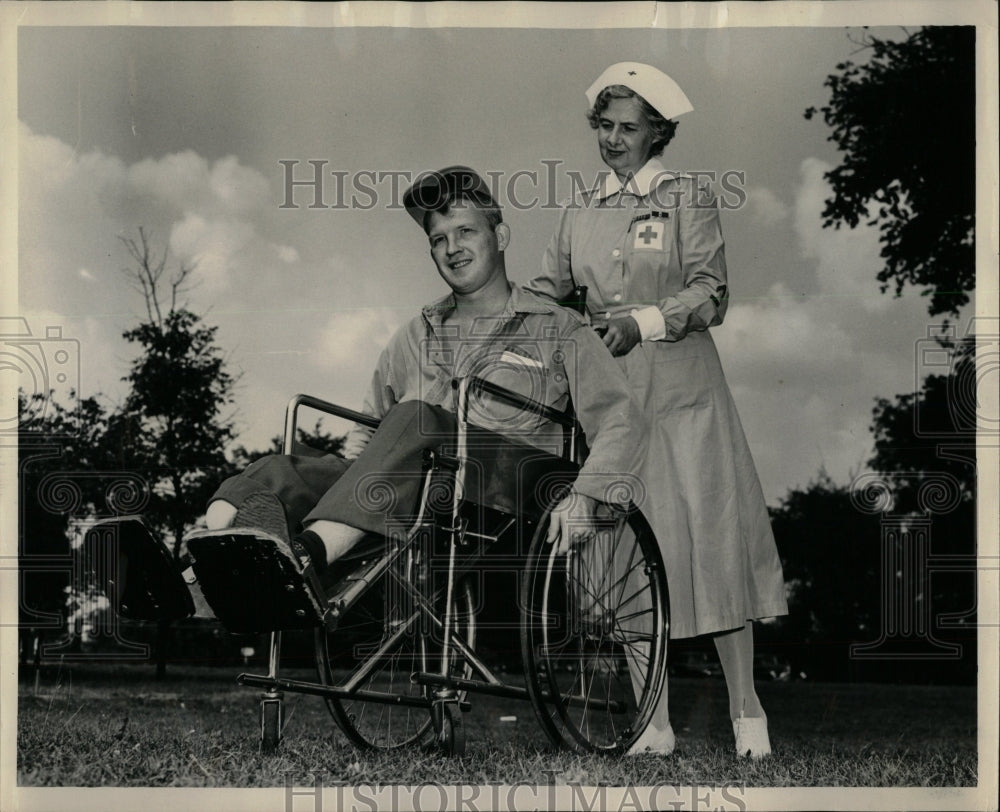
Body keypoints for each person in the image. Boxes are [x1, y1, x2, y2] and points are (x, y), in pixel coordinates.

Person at [165, 166, 650, 633]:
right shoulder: (412, 335)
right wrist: (330, 481)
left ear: (500, 236)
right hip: (413, 485)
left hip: (506, 486)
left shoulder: (559, 328)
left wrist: (588, 496)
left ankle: (305, 558)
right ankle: (193, 577)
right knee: (280, 472)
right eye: (438, 239)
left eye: (464, 232)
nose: (451, 248)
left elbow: (621, 418)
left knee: (415, 419)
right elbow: (368, 433)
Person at [527, 62, 788, 758]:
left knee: (710, 547)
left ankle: (747, 713)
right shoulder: (579, 206)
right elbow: (550, 291)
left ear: (658, 134)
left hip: (682, 398)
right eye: (605, 126)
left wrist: (641, 322)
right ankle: (654, 722)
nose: (614, 139)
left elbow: (711, 291)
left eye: (629, 128)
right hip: (609, 403)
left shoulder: (689, 199)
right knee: (624, 554)